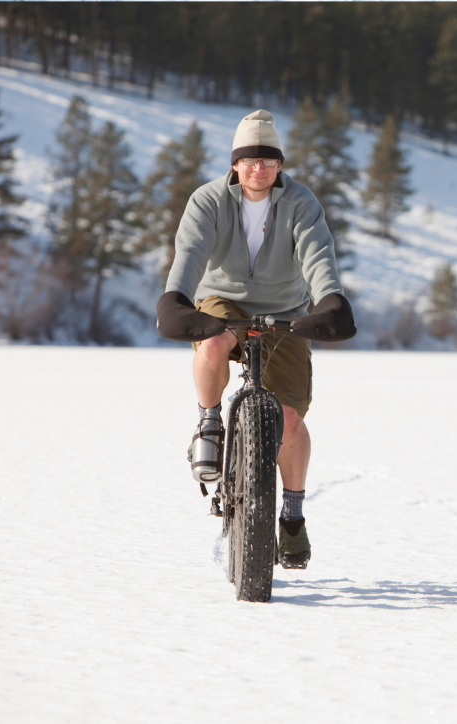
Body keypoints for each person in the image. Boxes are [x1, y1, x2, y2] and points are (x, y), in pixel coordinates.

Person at [156, 110, 356, 570]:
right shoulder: (208, 201)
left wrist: (329, 300)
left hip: (285, 312)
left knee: (287, 419)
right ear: (234, 163)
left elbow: (318, 253)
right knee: (213, 344)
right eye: (249, 160)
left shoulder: (301, 203)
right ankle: (209, 423)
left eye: (268, 160)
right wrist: (177, 298)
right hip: (222, 302)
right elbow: (189, 252)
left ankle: (291, 514)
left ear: (280, 165)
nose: (258, 169)